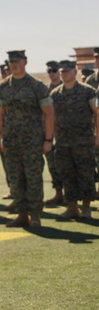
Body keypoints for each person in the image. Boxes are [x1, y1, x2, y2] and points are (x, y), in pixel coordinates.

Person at [0, 49, 55, 228]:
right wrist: (1, 136)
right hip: (11, 142)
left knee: (33, 178)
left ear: (25, 62)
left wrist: (48, 139)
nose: (14, 65)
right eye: (11, 62)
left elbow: (49, 113)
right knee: (16, 179)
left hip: (32, 142)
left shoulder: (37, 86)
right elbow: (0, 114)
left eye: (17, 61)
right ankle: (22, 214)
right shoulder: (3, 87)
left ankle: (35, 215)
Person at [50, 60, 98, 220]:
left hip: (83, 142)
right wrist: (52, 137)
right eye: (62, 71)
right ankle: (72, 207)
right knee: (67, 174)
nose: (64, 74)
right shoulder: (55, 94)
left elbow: (97, 112)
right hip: (63, 142)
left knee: (85, 173)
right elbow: (52, 117)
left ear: (75, 72)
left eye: (67, 71)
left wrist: (97, 135)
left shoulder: (89, 91)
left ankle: (86, 208)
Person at [43, 60, 66, 206]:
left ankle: (70, 195)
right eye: (49, 71)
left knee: (66, 165)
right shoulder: (45, 91)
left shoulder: (66, 87)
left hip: (65, 134)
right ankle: (58, 193)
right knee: (53, 165)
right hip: (50, 135)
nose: (51, 74)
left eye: (54, 71)